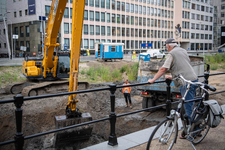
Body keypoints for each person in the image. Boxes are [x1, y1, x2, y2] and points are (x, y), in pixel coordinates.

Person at [147, 38, 198, 138]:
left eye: (166, 46)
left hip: (185, 83)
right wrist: (172, 77)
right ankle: (192, 128)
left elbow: (163, 69)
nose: (167, 48)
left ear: (169, 46)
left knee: (188, 108)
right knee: (189, 105)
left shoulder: (172, 54)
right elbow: (182, 67)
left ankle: (194, 131)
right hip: (193, 79)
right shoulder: (183, 50)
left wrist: (153, 80)